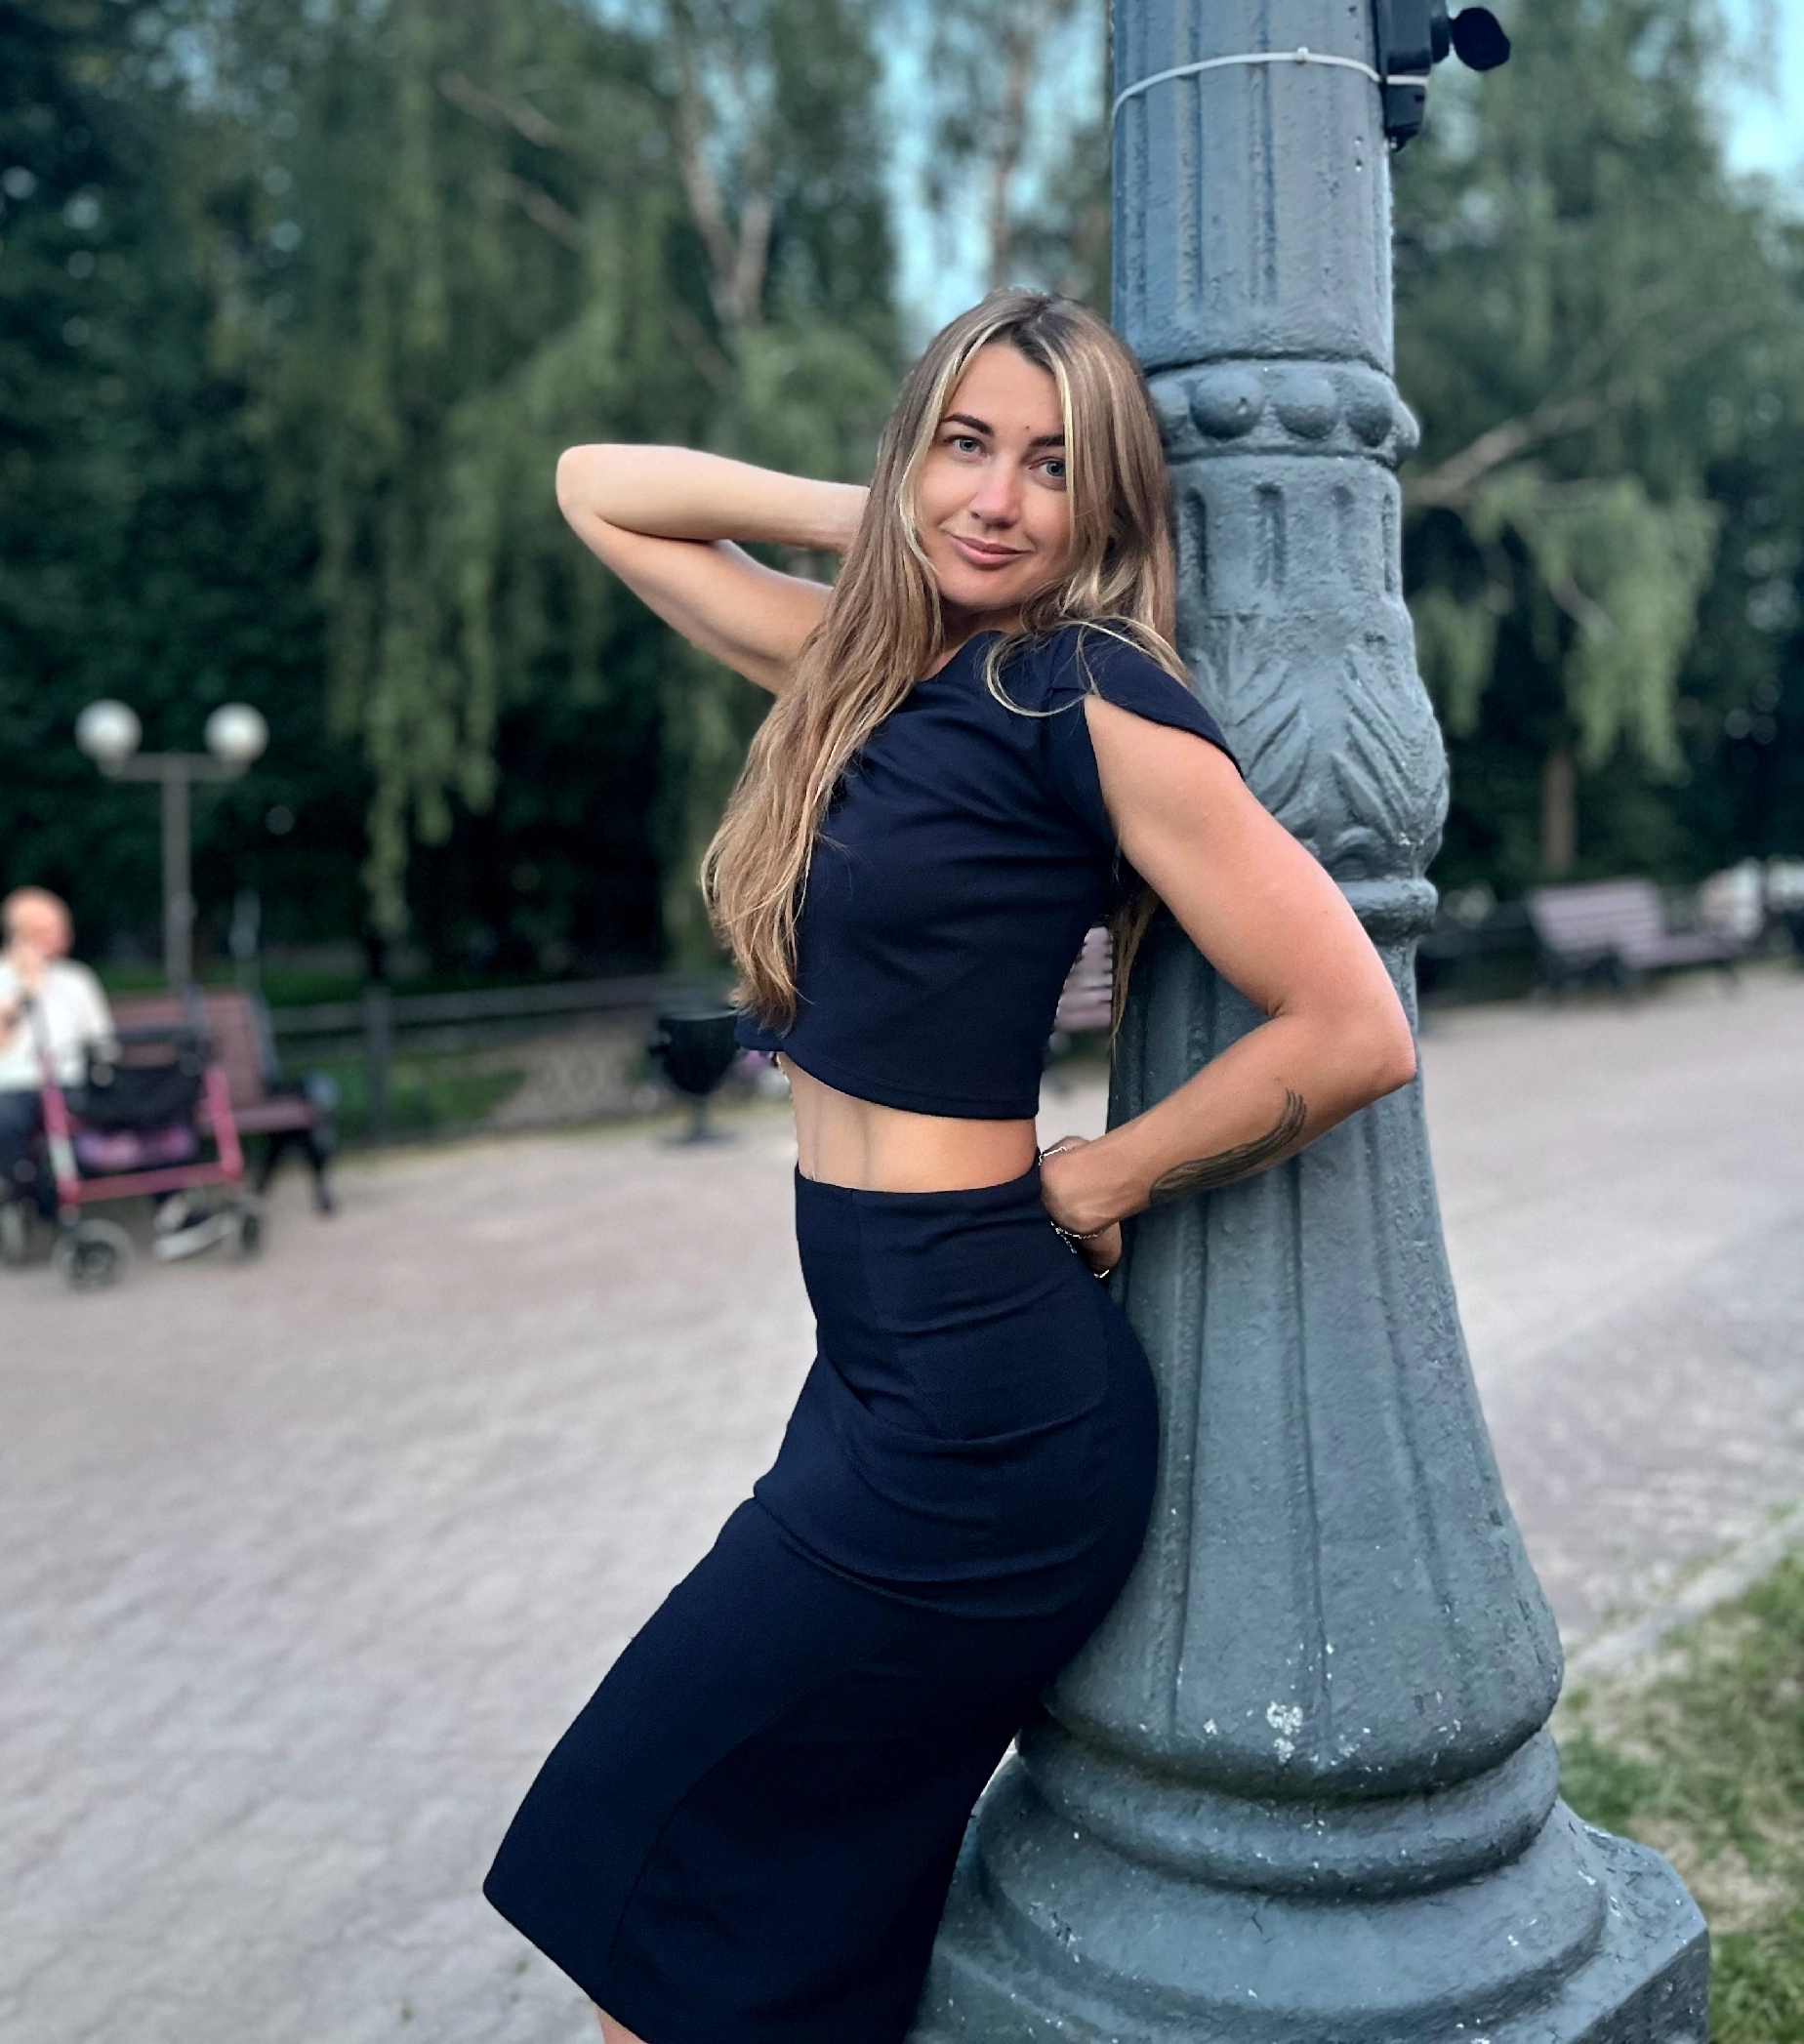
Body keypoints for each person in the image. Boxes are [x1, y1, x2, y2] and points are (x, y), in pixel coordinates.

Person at [484, 290, 1418, 2044]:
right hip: (870, 1371)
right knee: (726, 1921)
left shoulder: (1087, 695)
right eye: (968, 444)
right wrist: (898, 516)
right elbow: (597, 487)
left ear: (1110, 502)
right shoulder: (871, 670)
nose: (1000, 498)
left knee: (660, 1847)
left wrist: (1108, 1175)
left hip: (985, 1412)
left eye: (1052, 468)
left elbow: (1353, 1024)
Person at [0, 888, 114, 1221]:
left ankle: (44, 1197)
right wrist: (25, 992)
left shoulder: (77, 979)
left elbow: (104, 1043)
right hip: (11, 1085)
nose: (63, 937)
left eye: (62, 928)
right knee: (8, 1119)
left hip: (69, 1080)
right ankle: (30, 1193)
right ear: (21, 935)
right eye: (48, 930)